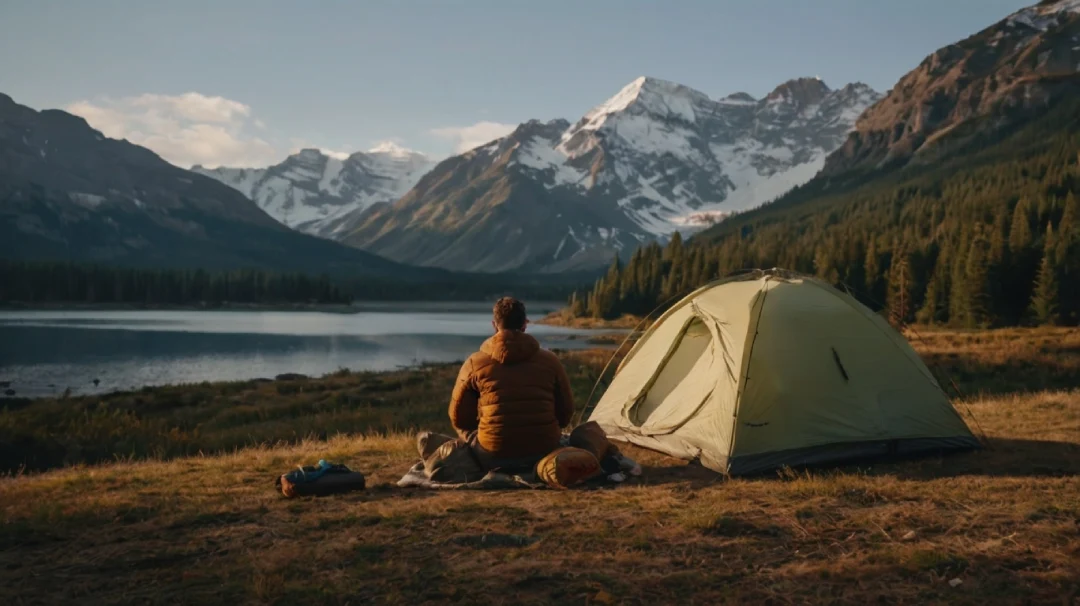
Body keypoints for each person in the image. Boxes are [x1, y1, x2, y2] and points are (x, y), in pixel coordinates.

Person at [448, 297, 575, 472]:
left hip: (492, 457)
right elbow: (566, 414)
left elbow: (459, 418)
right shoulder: (551, 361)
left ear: (494, 325)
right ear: (525, 324)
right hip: (544, 452)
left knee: (461, 427)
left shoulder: (474, 363)